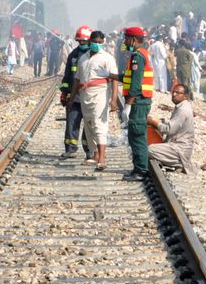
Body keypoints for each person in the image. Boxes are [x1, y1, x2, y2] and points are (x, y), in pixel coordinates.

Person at [70, 30, 119, 171]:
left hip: (100, 95)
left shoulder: (107, 58)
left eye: (99, 43)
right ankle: (95, 155)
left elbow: (114, 79)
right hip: (85, 95)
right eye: (94, 42)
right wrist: (71, 98)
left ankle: (102, 159)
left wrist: (114, 99)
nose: (96, 45)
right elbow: (77, 79)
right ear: (90, 41)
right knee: (89, 125)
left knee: (99, 125)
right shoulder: (83, 58)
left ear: (103, 43)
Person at [120, 26, 154, 180]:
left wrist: (128, 105)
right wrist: (109, 75)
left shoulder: (137, 56)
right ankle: (138, 168)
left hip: (139, 101)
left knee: (137, 134)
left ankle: (141, 170)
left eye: (127, 38)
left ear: (133, 40)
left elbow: (135, 83)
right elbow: (128, 77)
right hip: (141, 100)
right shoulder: (141, 54)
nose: (125, 41)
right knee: (135, 133)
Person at [148, 83, 197, 174]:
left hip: (180, 149)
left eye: (178, 93)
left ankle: (178, 162)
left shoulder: (182, 110)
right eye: (173, 92)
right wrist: (160, 121)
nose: (174, 94)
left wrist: (153, 122)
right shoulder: (181, 106)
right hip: (177, 146)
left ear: (186, 96)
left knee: (148, 150)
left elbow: (169, 130)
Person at [59, 25, 92, 158]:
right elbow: (67, 76)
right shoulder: (73, 55)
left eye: (84, 41)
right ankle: (70, 149)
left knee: (90, 126)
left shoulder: (94, 55)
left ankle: (89, 151)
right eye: (79, 41)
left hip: (90, 96)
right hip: (74, 95)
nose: (81, 43)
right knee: (72, 122)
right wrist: (64, 93)